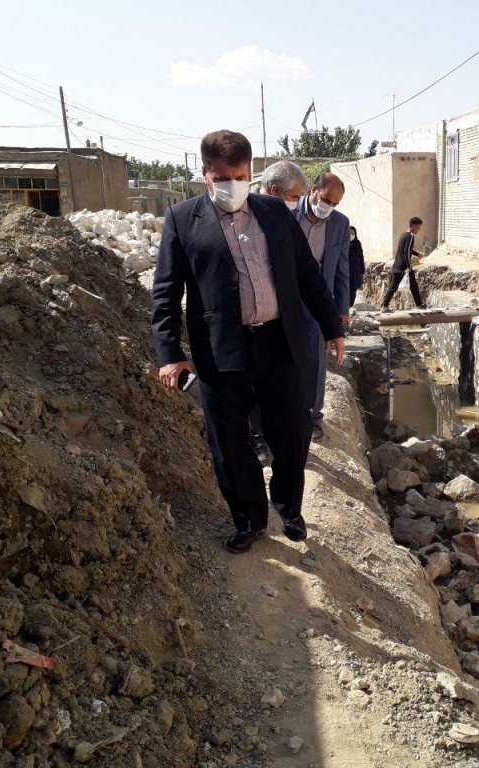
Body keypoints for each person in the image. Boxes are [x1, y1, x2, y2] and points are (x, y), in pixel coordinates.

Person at [151, 130, 344, 554]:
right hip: (221, 350)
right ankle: (250, 519)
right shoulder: (182, 219)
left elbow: (306, 273)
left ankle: (288, 508)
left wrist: (332, 326)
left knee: (293, 431)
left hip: (279, 341)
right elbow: (165, 293)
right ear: (205, 173)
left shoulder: (273, 211)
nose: (232, 185)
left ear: (250, 172)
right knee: (230, 442)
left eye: (240, 176)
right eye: (223, 177)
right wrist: (170, 354)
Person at [245, 160, 310, 463]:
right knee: (249, 393)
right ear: (275, 191)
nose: (298, 203)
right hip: (241, 331)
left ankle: (278, 442)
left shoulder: (286, 219)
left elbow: (307, 272)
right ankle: (256, 439)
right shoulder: (235, 218)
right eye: (295, 196)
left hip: (280, 327)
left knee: (282, 395)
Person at [295, 172, 350, 443]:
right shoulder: (287, 213)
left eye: (336, 204)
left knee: (316, 358)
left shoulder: (340, 223)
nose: (330, 207)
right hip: (286, 298)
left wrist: (342, 308)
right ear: (314, 190)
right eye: (327, 200)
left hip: (318, 299)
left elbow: (342, 267)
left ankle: (313, 417)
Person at [381, 216, 426, 311]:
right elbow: (406, 251)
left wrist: (417, 254)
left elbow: (406, 249)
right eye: (419, 227)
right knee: (398, 286)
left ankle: (385, 306)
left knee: (409, 286)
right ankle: (385, 306)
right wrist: (409, 267)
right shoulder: (410, 236)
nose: (419, 229)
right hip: (403, 267)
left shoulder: (403, 235)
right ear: (414, 226)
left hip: (397, 265)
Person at [348, 226, 365, 310]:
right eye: (349, 233)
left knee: (353, 289)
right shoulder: (343, 243)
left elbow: (361, 256)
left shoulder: (357, 243)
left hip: (355, 270)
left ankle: (350, 306)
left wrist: (362, 270)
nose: (351, 235)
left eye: (353, 233)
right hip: (346, 270)